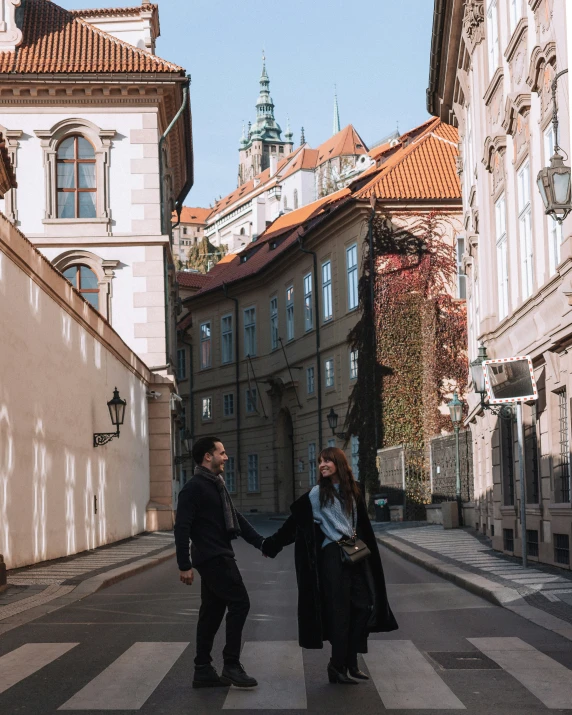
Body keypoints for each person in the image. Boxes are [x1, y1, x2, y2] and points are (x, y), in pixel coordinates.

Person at [262, 446, 398, 684]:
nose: (322, 465)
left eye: (327, 461)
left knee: (364, 605)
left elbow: (361, 525)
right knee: (339, 611)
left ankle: (350, 660)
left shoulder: (354, 491)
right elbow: (294, 524)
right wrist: (270, 545)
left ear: (339, 463)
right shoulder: (317, 494)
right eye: (319, 462)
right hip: (332, 556)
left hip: (353, 552)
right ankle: (337, 666)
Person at [174, 436, 265, 689]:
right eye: (222, 453)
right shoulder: (194, 488)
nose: (226, 457)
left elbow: (234, 517)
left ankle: (202, 669)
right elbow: (182, 527)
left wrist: (261, 543)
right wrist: (184, 564)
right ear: (208, 456)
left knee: (211, 613)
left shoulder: (216, 485)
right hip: (213, 557)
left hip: (216, 554)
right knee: (240, 603)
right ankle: (231, 665)